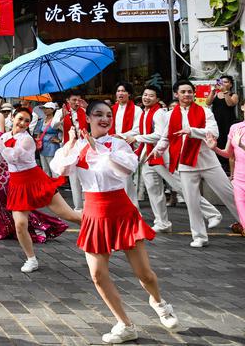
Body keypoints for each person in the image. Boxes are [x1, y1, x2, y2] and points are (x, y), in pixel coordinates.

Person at [51, 100, 179, 344]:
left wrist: (97, 149)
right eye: (98, 114)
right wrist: (71, 144)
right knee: (98, 275)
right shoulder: (77, 146)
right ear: (87, 118)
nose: (105, 119)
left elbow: (125, 169)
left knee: (145, 274)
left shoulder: (118, 144)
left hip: (121, 210)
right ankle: (125, 324)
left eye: (108, 115)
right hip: (94, 213)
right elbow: (60, 169)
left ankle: (159, 302)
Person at [0, 106, 81, 272]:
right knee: (20, 224)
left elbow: (13, 158)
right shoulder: (5, 137)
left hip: (35, 180)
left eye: (27, 121)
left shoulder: (26, 139)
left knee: (69, 215)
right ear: (12, 118)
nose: (22, 123)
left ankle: (100, 232)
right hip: (17, 184)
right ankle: (31, 259)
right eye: (20, 119)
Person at [149, 80, 241, 247]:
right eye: (183, 92)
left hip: (208, 161)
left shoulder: (205, 111)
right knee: (191, 202)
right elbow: (166, 137)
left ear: (194, 93)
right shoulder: (169, 115)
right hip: (185, 163)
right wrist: (158, 150)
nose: (187, 94)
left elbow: (214, 132)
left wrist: (192, 131)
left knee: (230, 195)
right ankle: (199, 237)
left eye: (190, 92)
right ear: (176, 94)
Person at [130, 85, 220, 233]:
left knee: (181, 188)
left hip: (162, 155)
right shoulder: (144, 112)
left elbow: (160, 135)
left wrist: (137, 138)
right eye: (145, 94)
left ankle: (212, 213)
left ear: (158, 99)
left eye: (151, 95)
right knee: (153, 190)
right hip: (148, 155)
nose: (147, 98)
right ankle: (162, 223)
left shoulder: (159, 113)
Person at [207, 97, 245, 235]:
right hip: (239, 180)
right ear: (242, 107)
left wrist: (242, 145)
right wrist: (214, 148)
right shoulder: (235, 127)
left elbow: (240, 147)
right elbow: (228, 153)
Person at [53, 90, 88, 208]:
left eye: (78, 100)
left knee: (85, 177)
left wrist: (87, 108)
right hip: (70, 147)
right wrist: (62, 117)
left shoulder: (84, 110)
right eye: (74, 100)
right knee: (74, 179)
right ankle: (78, 208)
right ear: (68, 100)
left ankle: (87, 206)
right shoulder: (61, 111)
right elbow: (53, 125)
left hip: (84, 146)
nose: (77, 102)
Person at [111, 82, 143, 203]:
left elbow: (138, 129)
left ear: (129, 94)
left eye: (123, 91)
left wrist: (121, 136)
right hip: (113, 146)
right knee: (115, 178)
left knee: (127, 179)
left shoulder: (137, 110)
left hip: (129, 146)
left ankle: (132, 206)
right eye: (118, 91)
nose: (120, 93)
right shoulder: (112, 109)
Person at [207, 75, 240, 166]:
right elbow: (208, 103)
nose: (222, 84)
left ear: (230, 84)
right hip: (216, 122)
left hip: (228, 122)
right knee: (218, 141)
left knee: (228, 142)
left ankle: (228, 164)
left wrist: (225, 91)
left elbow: (230, 104)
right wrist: (212, 91)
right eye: (221, 82)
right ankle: (219, 163)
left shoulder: (234, 95)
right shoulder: (216, 94)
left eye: (225, 82)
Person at [34, 102, 61, 175]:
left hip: (52, 147)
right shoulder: (42, 120)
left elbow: (63, 131)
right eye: (44, 108)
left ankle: (56, 182)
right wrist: (38, 138)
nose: (44, 110)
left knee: (54, 169)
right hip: (42, 147)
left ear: (52, 110)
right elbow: (39, 131)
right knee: (45, 169)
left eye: (47, 108)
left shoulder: (56, 121)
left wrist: (59, 140)